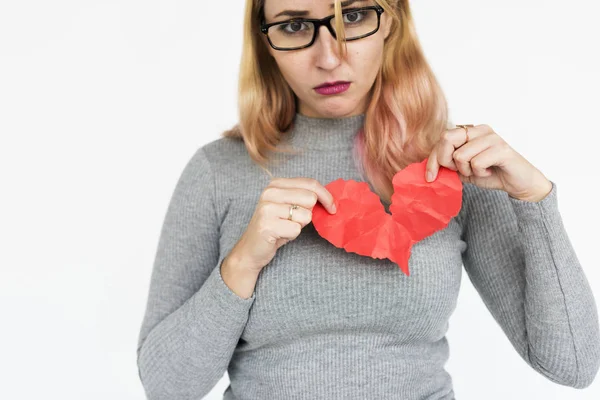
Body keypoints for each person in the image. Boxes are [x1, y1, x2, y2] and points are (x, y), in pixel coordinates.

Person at [136, 1, 600, 399]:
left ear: (391, 21)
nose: (329, 58)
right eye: (295, 26)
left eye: (353, 15)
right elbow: (165, 386)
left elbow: (573, 365)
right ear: (265, 42)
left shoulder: (450, 164)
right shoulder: (219, 171)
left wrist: (535, 201)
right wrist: (241, 264)